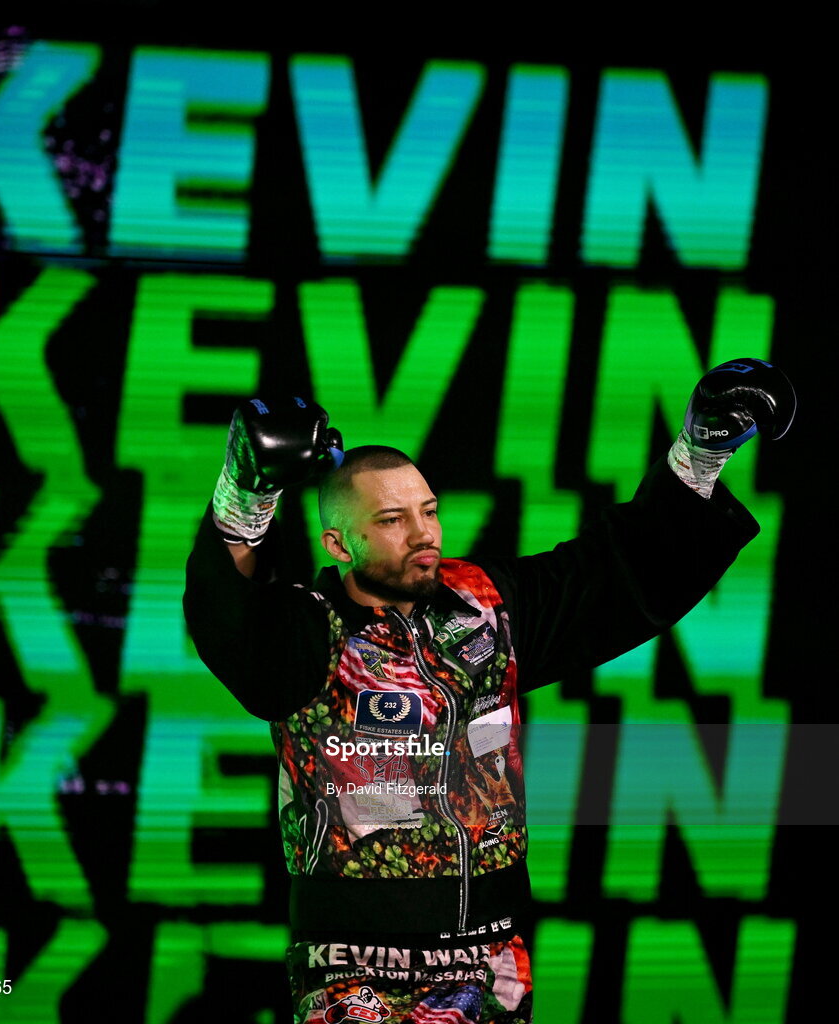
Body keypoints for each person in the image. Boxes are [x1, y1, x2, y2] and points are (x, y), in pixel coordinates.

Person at [184, 361, 795, 1024]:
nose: (423, 534)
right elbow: (234, 624)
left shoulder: (486, 609)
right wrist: (245, 496)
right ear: (338, 544)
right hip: (351, 972)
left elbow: (615, 579)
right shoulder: (307, 632)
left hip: (490, 965)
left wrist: (699, 453)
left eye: (428, 510)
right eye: (391, 520)